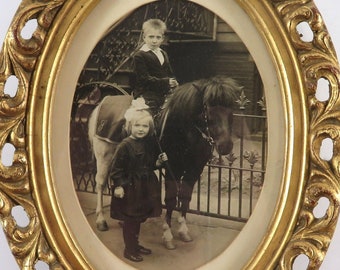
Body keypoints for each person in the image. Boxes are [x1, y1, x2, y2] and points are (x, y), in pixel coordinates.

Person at [110, 107, 168, 262]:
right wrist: (119, 186)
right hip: (130, 188)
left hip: (144, 187)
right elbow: (116, 169)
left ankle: (135, 245)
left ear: (149, 129)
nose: (141, 129)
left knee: (139, 218)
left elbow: (149, 165)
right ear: (130, 127)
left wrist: (158, 162)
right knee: (130, 219)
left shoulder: (148, 144)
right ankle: (129, 249)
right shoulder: (125, 145)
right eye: (137, 125)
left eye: (145, 126)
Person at [132, 18, 178, 115]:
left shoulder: (163, 53)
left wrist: (173, 81)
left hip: (163, 92)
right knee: (150, 116)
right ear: (144, 38)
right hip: (147, 94)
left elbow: (169, 73)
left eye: (158, 37)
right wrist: (166, 82)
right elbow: (144, 79)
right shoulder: (140, 55)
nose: (154, 41)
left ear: (162, 39)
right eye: (151, 37)